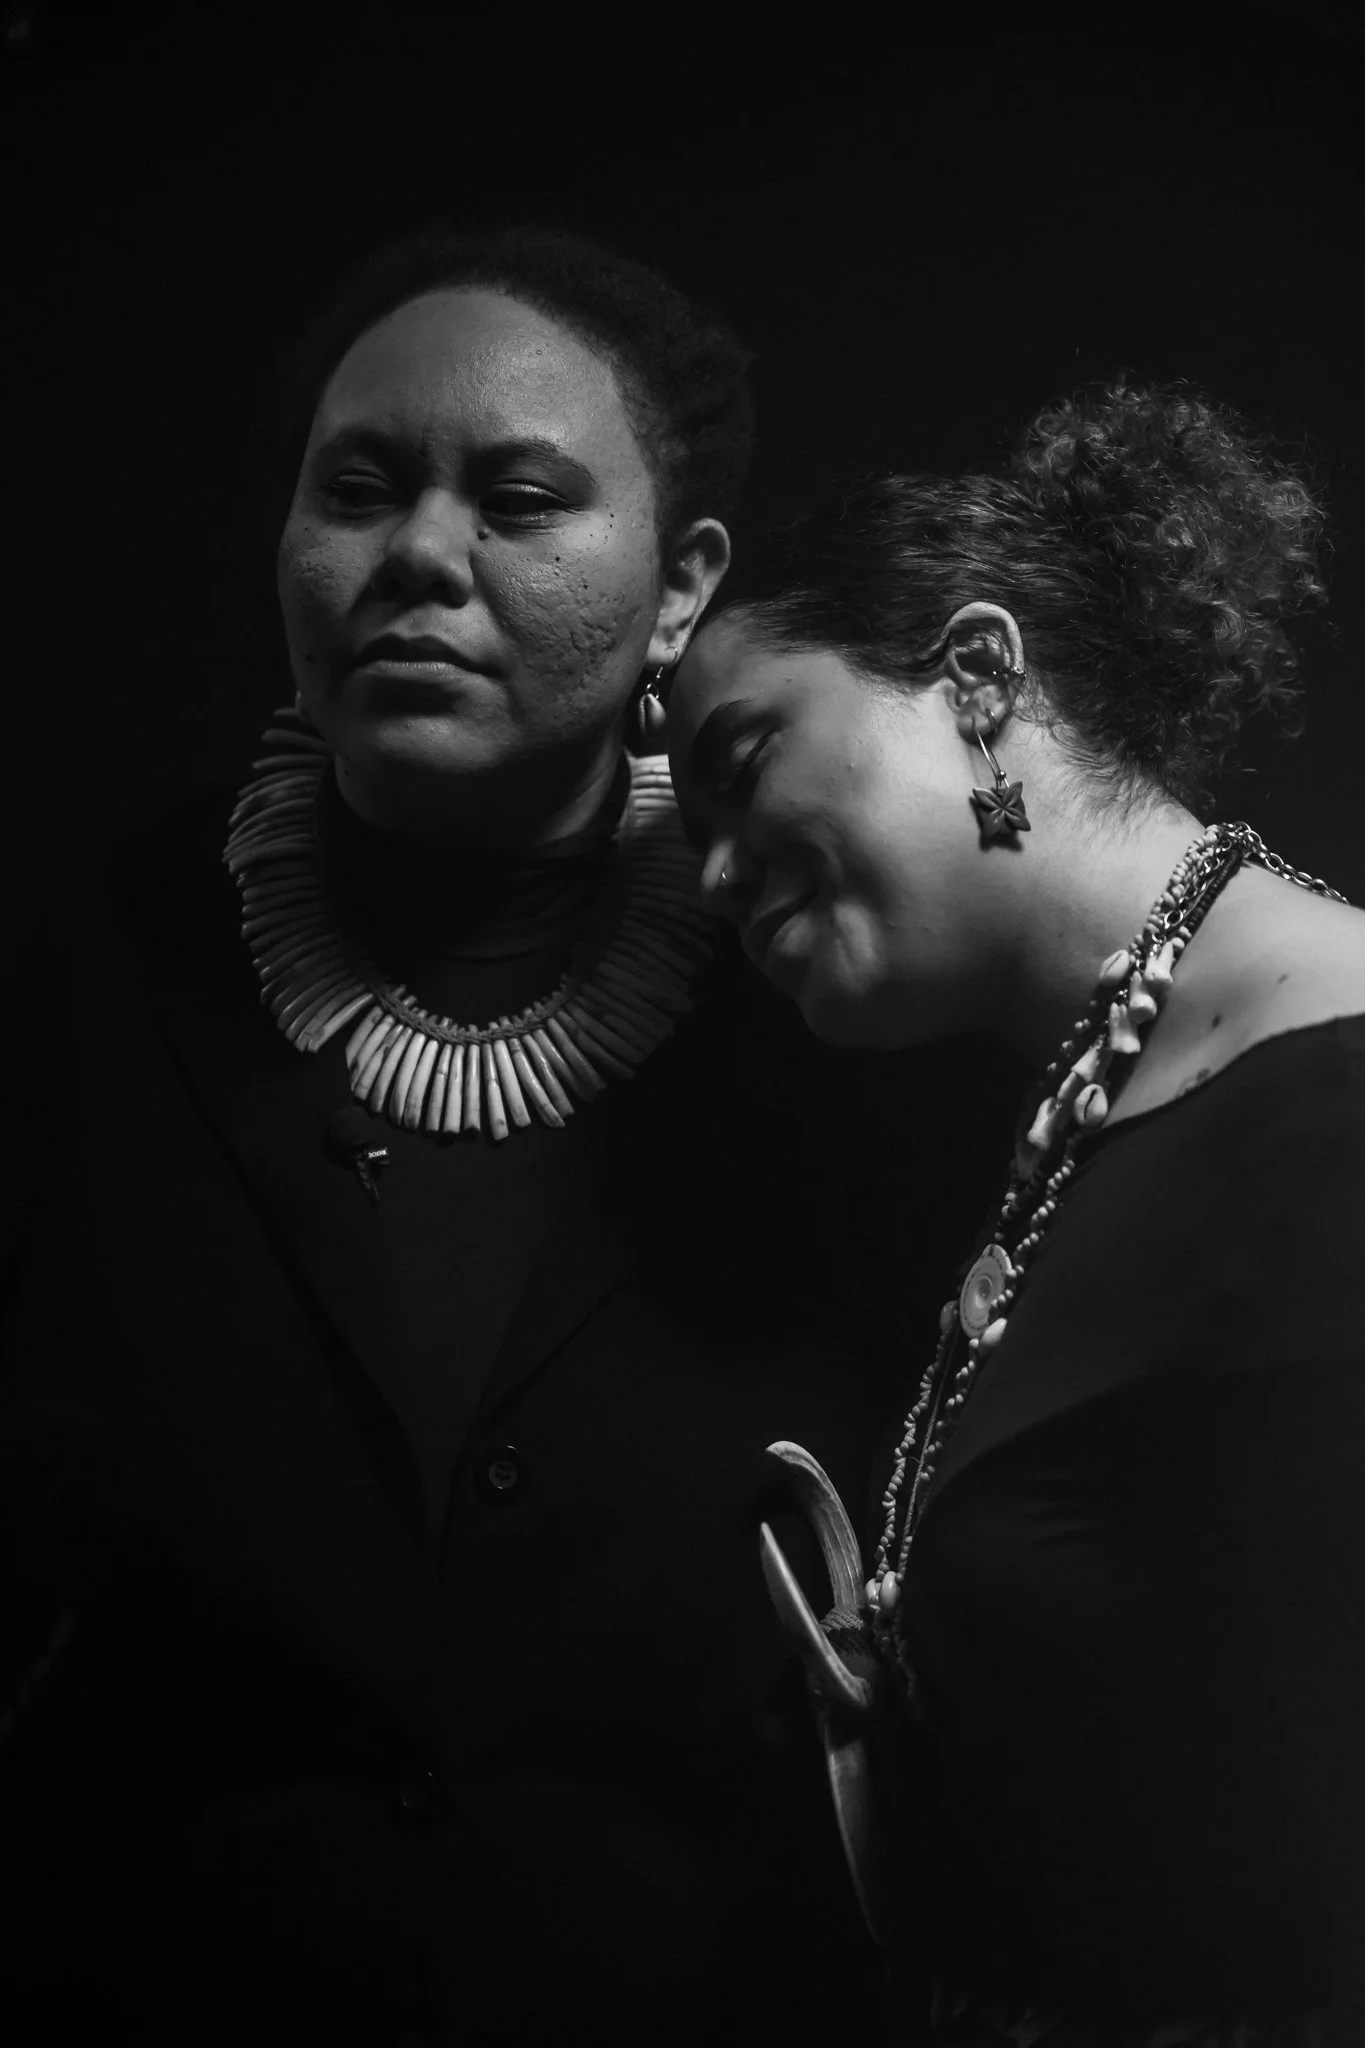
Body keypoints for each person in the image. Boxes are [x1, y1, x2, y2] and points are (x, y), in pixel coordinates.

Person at [0, 224, 994, 2045]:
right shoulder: (86, 968)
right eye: (357, 488)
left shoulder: (844, 1007)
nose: (421, 559)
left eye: (520, 498)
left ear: (681, 588)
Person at [666, 380, 1365, 2045]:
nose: (705, 872)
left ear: (979, 677)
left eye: (741, 759)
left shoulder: (1332, 1110)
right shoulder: (1102, 1119)